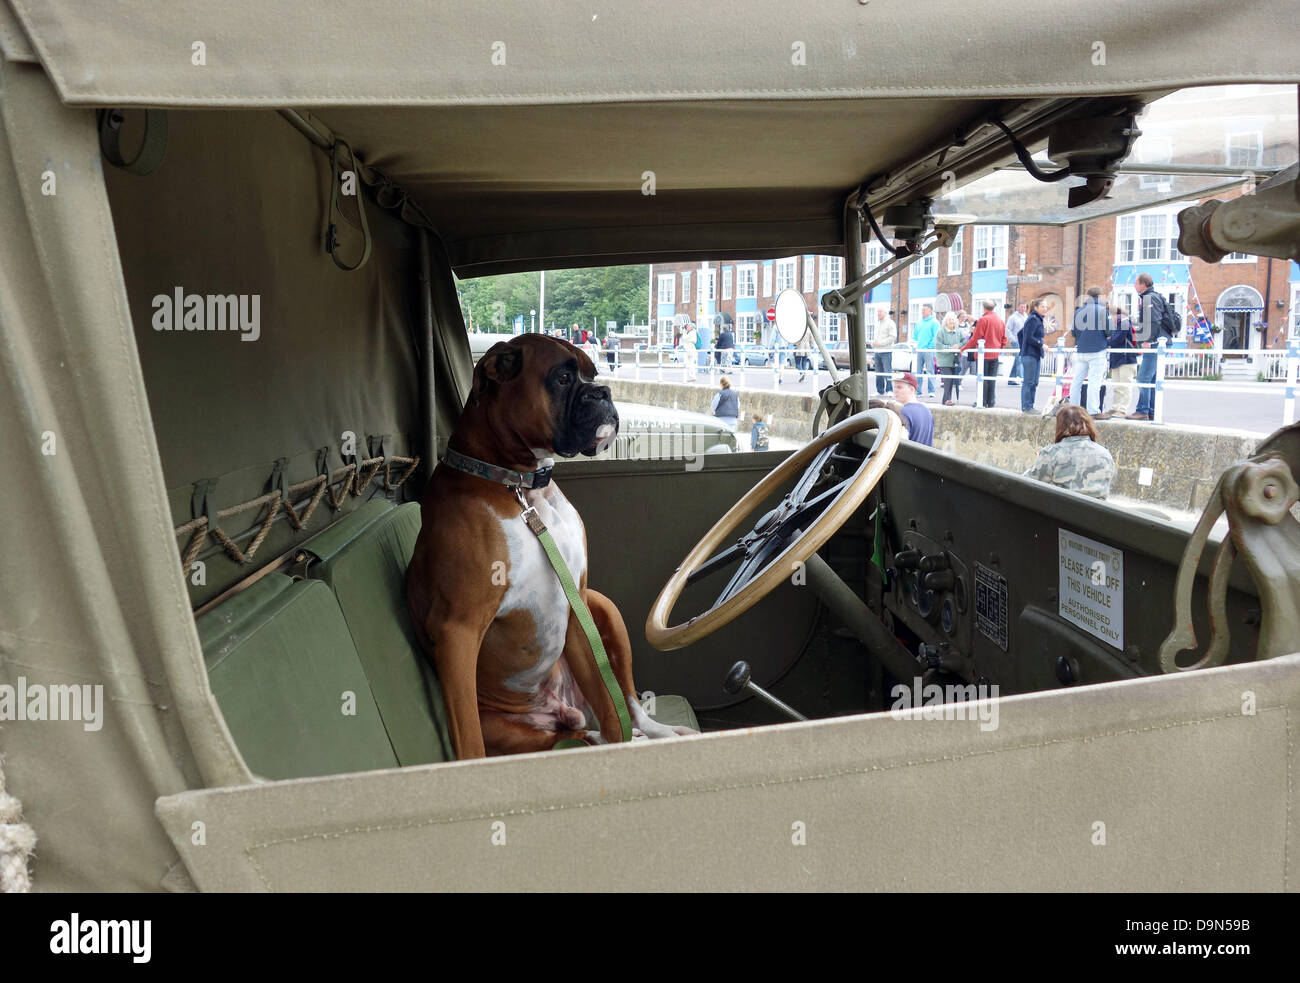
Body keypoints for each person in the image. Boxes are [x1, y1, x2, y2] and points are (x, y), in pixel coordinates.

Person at [1023, 404, 1116, 499]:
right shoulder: (1105, 453)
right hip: (1098, 512)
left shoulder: (1052, 453)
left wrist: (1042, 459)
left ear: (1060, 425)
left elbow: (1026, 482)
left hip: (1061, 511)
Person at [1130, 273, 1173, 421]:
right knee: (1152, 379)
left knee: (1143, 378)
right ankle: (1151, 411)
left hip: (1155, 343)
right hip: (1160, 341)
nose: (1134, 286)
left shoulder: (1149, 298)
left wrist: (1148, 340)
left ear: (1143, 285)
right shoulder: (1153, 297)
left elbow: (1154, 321)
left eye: (1136, 283)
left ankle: (1142, 410)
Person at [958, 300, 1007, 408]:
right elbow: (1004, 339)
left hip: (983, 355)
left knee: (982, 378)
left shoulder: (983, 320)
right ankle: (991, 401)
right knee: (991, 378)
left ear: (983, 308)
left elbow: (975, 338)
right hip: (995, 354)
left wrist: (963, 348)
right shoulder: (1000, 321)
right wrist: (999, 350)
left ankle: (982, 401)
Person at [1070, 286, 1109, 416]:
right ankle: (1093, 410)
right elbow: (1110, 331)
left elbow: (1073, 333)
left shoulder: (1078, 311)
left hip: (1081, 350)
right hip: (1097, 350)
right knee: (1094, 381)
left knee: (1076, 381)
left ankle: (1073, 409)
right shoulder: (1102, 310)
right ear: (1099, 296)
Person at [1101, 304, 1137, 419]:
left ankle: (1122, 409)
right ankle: (1116, 407)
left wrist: (1103, 342)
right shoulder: (1118, 324)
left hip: (1126, 358)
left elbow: (1117, 339)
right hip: (1118, 358)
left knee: (1125, 385)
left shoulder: (1124, 323)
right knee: (1117, 385)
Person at [1018, 298, 1047, 413]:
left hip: (1034, 354)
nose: (1045, 309)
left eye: (1046, 307)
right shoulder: (1033, 319)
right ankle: (1026, 407)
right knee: (1029, 381)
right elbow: (1028, 337)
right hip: (1029, 355)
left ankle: (1030, 406)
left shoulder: (1037, 319)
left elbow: (1020, 333)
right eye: (1042, 307)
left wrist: (1023, 346)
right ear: (1036, 308)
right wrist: (1041, 344)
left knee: (1034, 382)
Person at [890, 371, 933, 445]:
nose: (895, 390)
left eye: (899, 387)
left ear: (912, 389)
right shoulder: (927, 411)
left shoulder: (904, 412)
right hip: (924, 455)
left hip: (909, 456)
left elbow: (901, 444)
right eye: (894, 387)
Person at [935, 311, 964, 405]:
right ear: (946, 321)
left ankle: (946, 401)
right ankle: (947, 400)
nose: (951, 321)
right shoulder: (941, 331)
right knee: (948, 379)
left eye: (953, 319)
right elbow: (938, 345)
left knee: (952, 380)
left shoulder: (958, 332)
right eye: (949, 319)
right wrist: (950, 348)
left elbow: (965, 341)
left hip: (955, 360)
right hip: (944, 360)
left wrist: (958, 345)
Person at [912, 304, 940, 398]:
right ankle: (918, 391)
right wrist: (915, 346)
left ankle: (931, 391)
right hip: (919, 350)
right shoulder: (919, 323)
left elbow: (936, 336)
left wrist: (929, 347)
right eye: (922, 310)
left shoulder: (934, 322)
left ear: (930, 311)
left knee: (930, 370)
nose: (922, 311)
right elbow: (915, 336)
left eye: (924, 310)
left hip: (929, 350)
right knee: (918, 371)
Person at [871, 308, 897, 395]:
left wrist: (880, 344)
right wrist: (873, 343)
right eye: (878, 311)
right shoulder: (878, 323)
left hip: (886, 351)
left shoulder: (890, 323)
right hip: (877, 351)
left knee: (887, 371)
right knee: (878, 372)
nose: (878, 313)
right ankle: (880, 391)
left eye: (880, 311)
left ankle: (889, 390)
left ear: (885, 312)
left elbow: (893, 337)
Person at [1005, 303, 1027, 385]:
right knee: (1020, 359)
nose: (1023, 308)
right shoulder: (1013, 317)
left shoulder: (1026, 316)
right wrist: (1012, 339)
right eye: (1021, 306)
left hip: (1024, 342)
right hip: (1016, 341)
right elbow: (1007, 329)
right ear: (1018, 307)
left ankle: (1011, 379)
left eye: (1024, 307)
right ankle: (1023, 379)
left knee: (1017, 360)